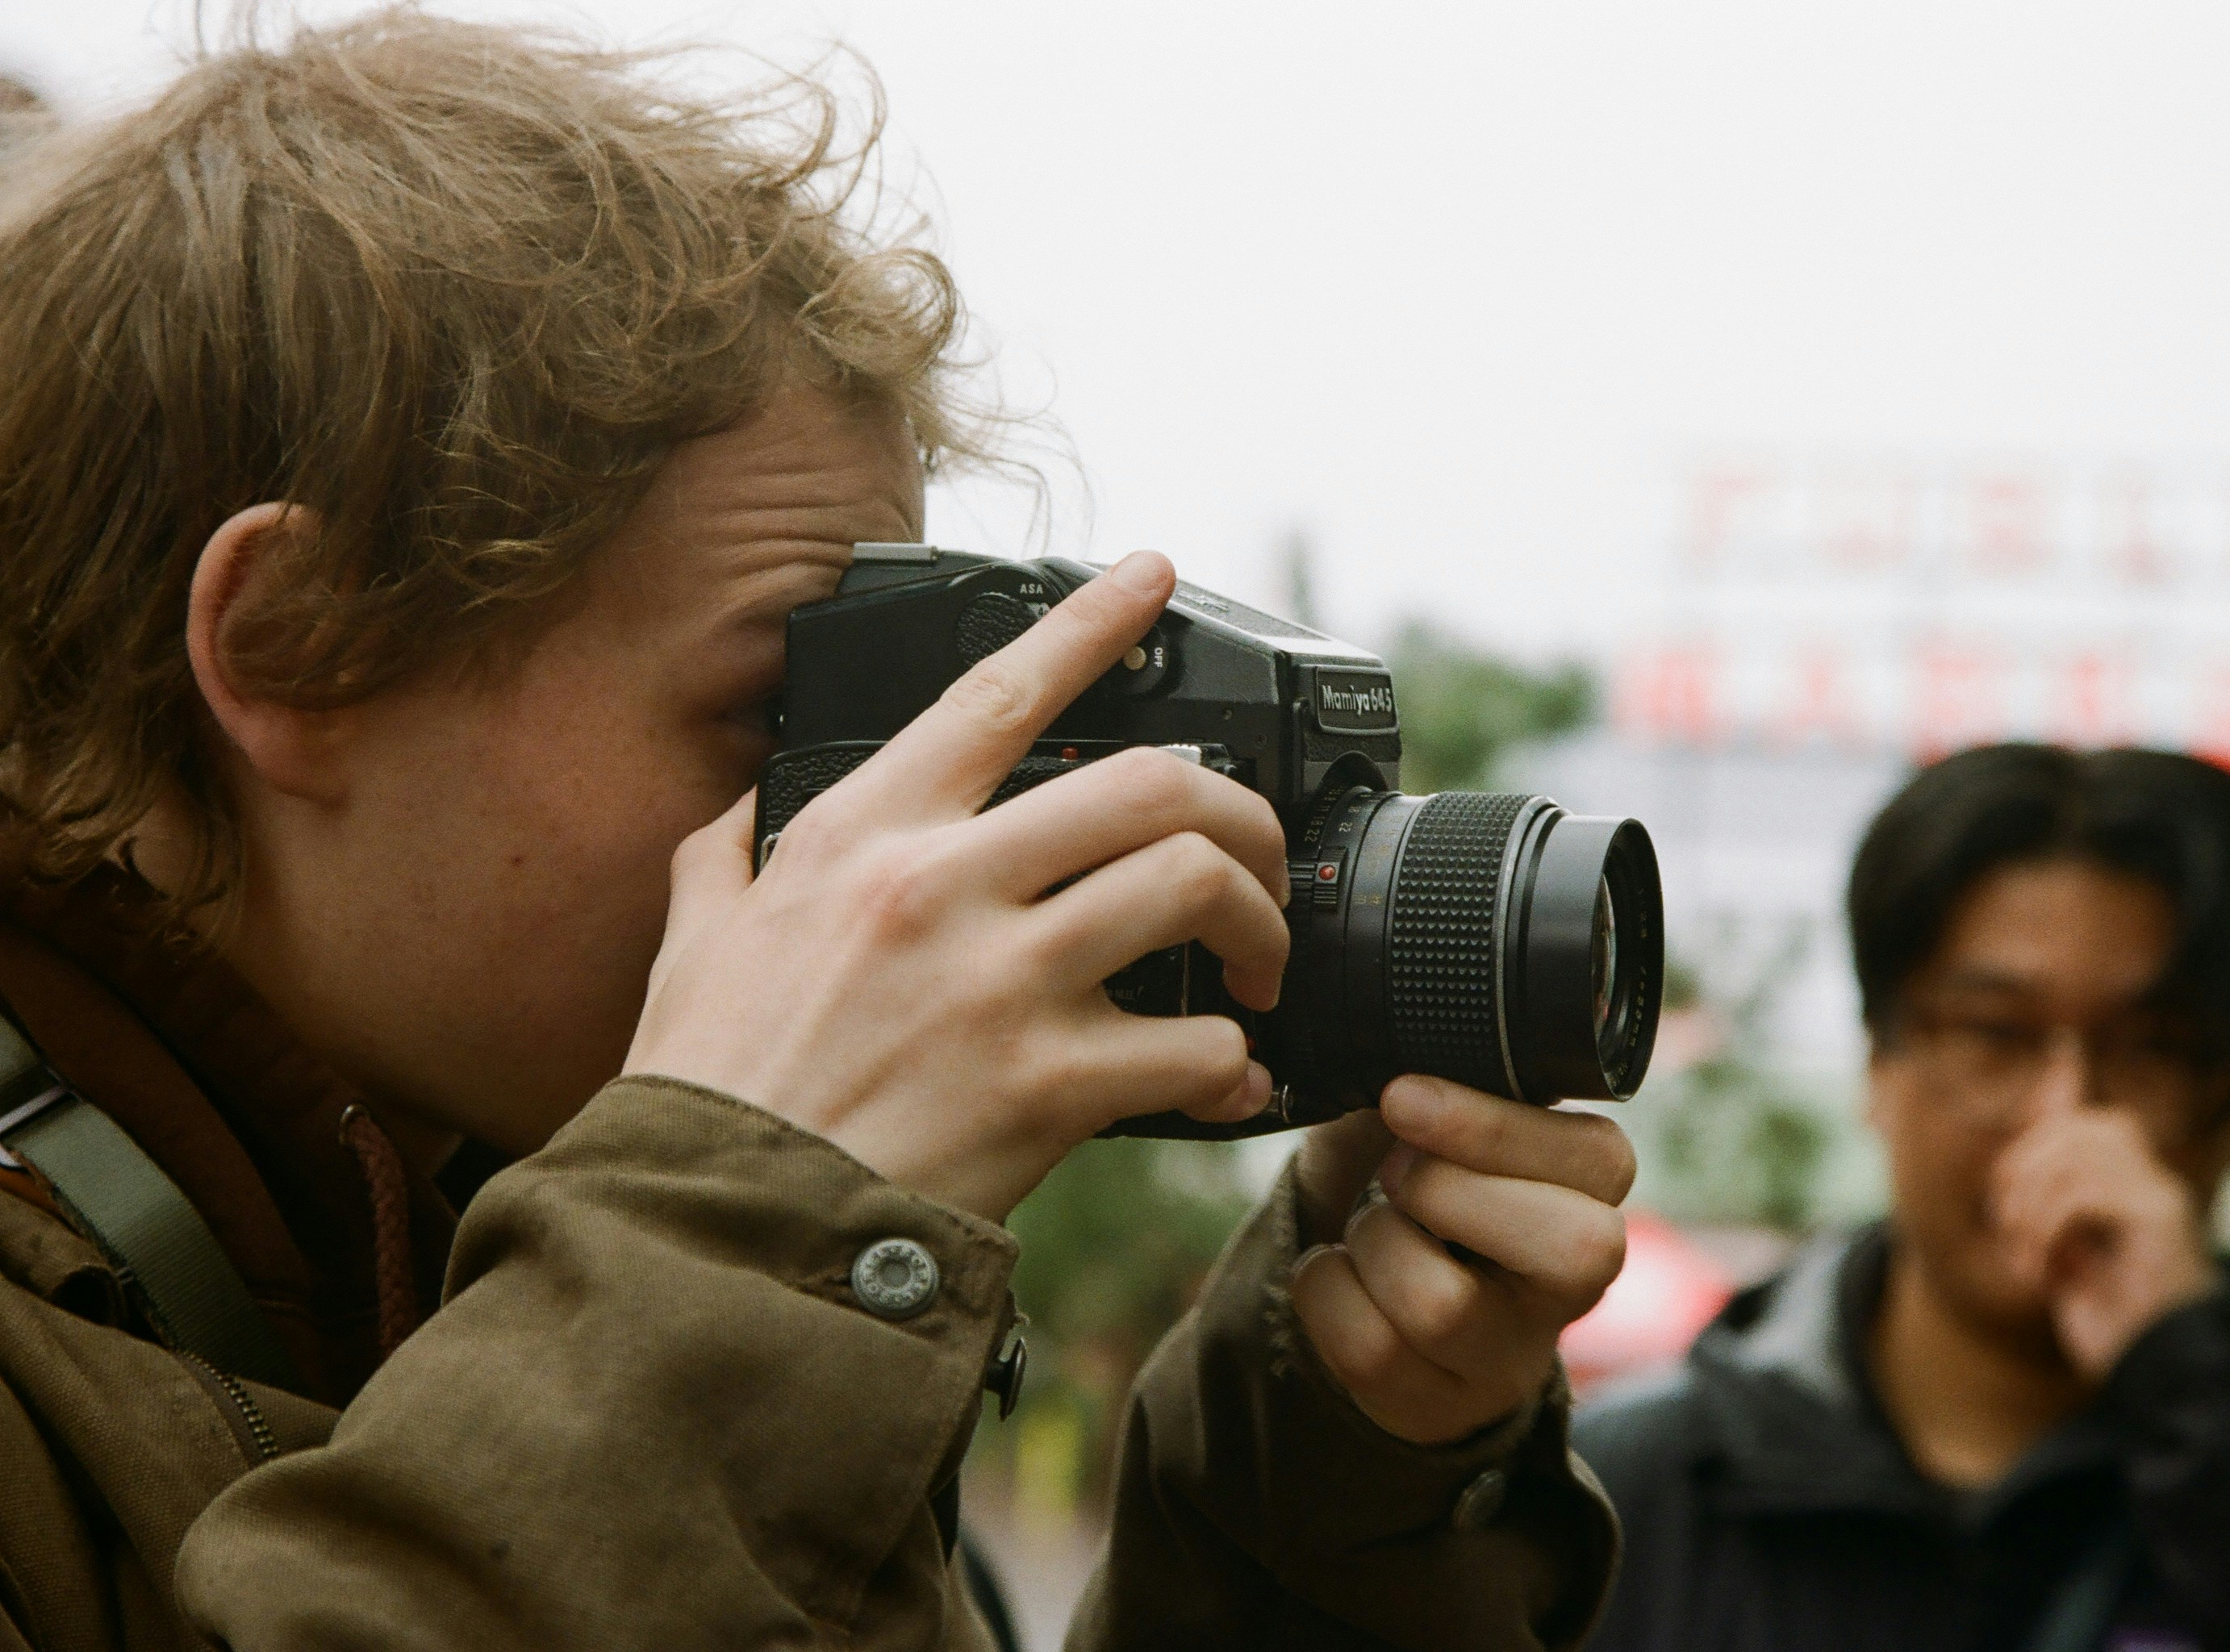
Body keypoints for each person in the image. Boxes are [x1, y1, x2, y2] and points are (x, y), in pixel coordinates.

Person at [0, 14, 1634, 1650]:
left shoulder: (553, 1242)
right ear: (295, 643)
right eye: (777, 713)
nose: (865, 839)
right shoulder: (671, 1271)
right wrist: (731, 1235)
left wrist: (1331, 1480)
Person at [1578, 743, 2230, 1651]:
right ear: (1878, 1064)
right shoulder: (1609, 1507)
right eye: (1993, 1034)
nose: (2067, 1118)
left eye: (2153, 1048)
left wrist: (2203, 1401)